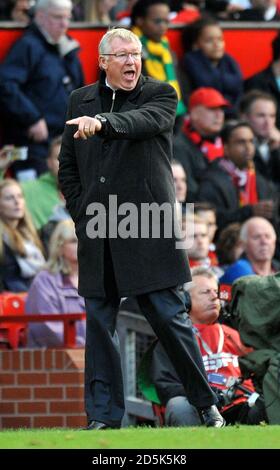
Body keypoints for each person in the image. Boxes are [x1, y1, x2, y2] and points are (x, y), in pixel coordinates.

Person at [58, 27, 224, 430]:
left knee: (170, 318)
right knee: (99, 323)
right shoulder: (78, 98)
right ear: (103, 62)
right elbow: (68, 166)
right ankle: (102, 418)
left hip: (151, 224)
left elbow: (142, 122)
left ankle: (206, 405)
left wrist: (103, 122)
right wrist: (82, 210)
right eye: (122, 56)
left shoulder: (162, 93)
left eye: (136, 54)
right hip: (99, 224)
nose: (132, 61)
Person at [149, 268, 267, 426]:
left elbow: (258, 376)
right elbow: (166, 386)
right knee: (178, 406)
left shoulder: (236, 335)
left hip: (242, 406)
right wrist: (205, 395)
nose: (214, 297)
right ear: (185, 300)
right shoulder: (172, 340)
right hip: (197, 409)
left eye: (215, 292)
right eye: (205, 292)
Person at [0, 0, 84, 179]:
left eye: (68, 18)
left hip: (64, 141)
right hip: (32, 144)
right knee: (34, 196)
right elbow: (6, 85)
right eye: (57, 17)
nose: (64, 24)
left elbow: (81, 90)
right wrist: (32, 118)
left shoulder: (68, 47)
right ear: (40, 16)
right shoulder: (27, 46)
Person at [25, 219, 85, 348]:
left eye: (85, 239)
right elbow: (46, 328)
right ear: (59, 247)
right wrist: (83, 346)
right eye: (74, 241)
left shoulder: (95, 278)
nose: (82, 244)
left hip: (92, 354)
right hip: (57, 359)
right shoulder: (44, 280)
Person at [0, 179, 45, 292]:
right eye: (9, 198)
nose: (17, 202)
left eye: (20, 196)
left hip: (38, 293)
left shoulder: (32, 235)